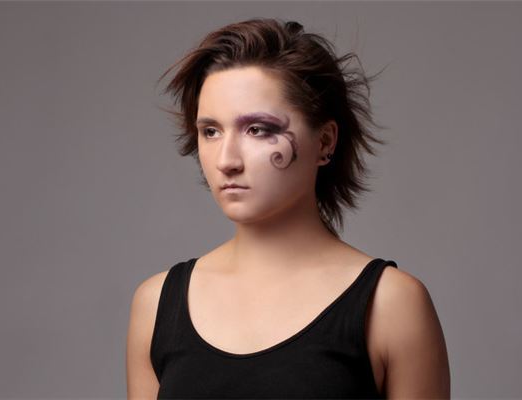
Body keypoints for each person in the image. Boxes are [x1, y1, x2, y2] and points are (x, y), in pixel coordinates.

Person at [126, 18, 450, 399]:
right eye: (210, 131)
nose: (226, 160)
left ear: (325, 141)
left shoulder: (392, 306)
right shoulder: (156, 307)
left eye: (258, 129)